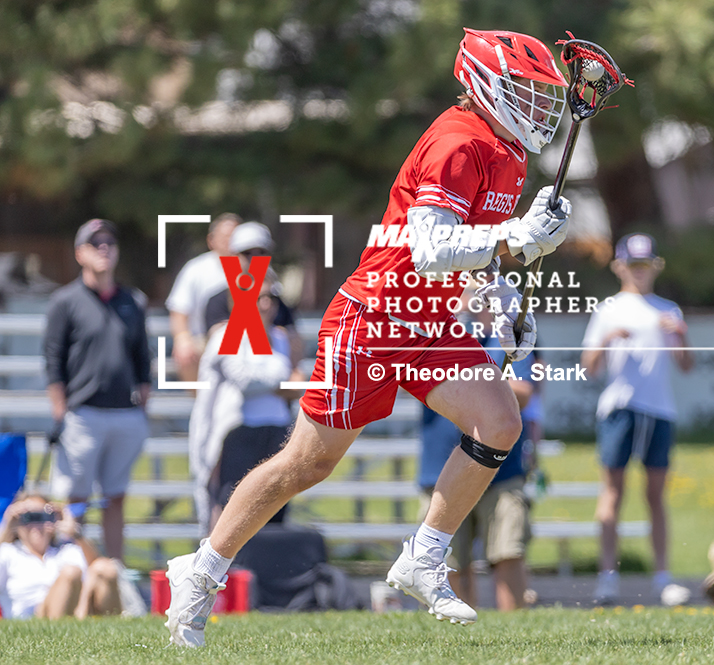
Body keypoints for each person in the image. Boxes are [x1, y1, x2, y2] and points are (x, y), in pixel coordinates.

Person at [165, 27, 572, 647]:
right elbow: (430, 247)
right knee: (306, 463)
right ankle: (202, 569)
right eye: (526, 89)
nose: (539, 106)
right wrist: (515, 236)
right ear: (487, 83)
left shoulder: (508, 154)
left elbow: (472, 259)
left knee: (500, 422)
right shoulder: (457, 143)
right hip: (375, 320)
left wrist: (505, 302)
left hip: (430, 323)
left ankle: (423, 557)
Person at [581, 233, 693, 607]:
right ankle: (607, 578)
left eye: (645, 265)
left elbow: (686, 366)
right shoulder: (608, 309)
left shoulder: (669, 309)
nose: (639, 272)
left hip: (660, 410)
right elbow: (590, 368)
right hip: (619, 409)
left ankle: (663, 577)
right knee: (612, 493)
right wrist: (608, 338)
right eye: (633, 265)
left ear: (654, 267)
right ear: (620, 267)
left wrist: (682, 336)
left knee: (655, 497)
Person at [416, 286, 539, 611]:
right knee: (447, 563)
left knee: (508, 554)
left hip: (503, 470)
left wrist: (473, 378)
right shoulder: (430, 340)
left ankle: (516, 639)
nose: (468, 299)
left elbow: (524, 392)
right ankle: (458, 642)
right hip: (441, 472)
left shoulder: (504, 340)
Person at [43, 219, 150, 561]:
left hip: (124, 413)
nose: (104, 248)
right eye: (95, 243)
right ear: (80, 254)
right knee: (74, 498)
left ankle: (113, 574)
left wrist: (143, 405)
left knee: (115, 496)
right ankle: (71, 569)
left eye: (109, 243)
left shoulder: (132, 301)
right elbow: (53, 359)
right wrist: (60, 409)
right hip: (83, 413)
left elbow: (142, 358)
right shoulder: (65, 301)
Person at [189, 270, 304, 534]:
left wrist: (283, 382)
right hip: (237, 435)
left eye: (271, 297)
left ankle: (264, 572)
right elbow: (244, 380)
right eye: (258, 297)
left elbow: (297, 385)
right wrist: (282, 377)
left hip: (276, 432)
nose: (265, 304)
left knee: (274, 509)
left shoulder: (279, 339)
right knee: (231, 510)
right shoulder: (227, 335)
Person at [0, 494, 121, 619]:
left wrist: (74, 532)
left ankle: (116, 632)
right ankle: (57, 632)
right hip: (32, 617)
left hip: (75, 611)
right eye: (28, 517)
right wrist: (6, 526)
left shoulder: (65, 550)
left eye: (43, 517)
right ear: (16, 522)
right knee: (70, 573)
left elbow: (99, 570)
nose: (36, 525)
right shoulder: (8, 552)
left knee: (105, 568)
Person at [203, 221, 303, 368]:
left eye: (261, 252)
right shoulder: (218, 300)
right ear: (233, 255)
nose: (255, 259)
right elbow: (222, 343)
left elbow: (293, 342)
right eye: (247, 253)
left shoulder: (277, 299)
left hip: (269, 376)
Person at [166, 213, 241, 383]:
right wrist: (182, 338)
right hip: (204, 340)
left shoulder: (257, 269)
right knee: (187, 350)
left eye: (234, 236)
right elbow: (179, 311)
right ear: (211, 240)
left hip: (246, 341)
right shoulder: (196, 269)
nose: (229, 241)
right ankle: (200, 403)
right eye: (225, 236)